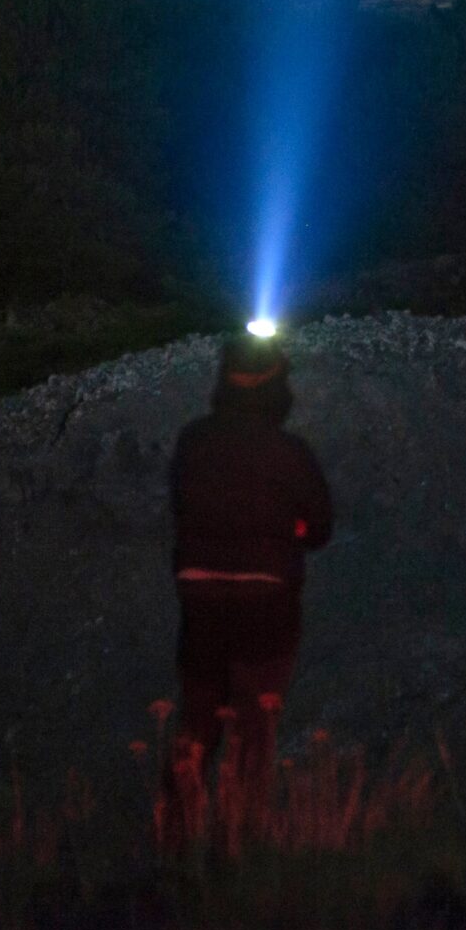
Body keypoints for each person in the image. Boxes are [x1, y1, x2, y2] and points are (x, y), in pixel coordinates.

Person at [168, 332, 333, 783]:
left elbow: (181, 509)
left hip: (200, 599)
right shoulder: (290, 454)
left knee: (197, 721)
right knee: (253, 732)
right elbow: (319, 527)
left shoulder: (193, 441)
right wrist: (286, 533)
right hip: (266, 602)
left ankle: (177, 838)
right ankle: (238, 843)